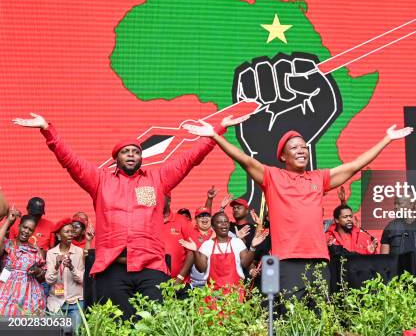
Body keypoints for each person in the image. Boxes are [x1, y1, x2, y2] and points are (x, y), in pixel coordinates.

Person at [12, 112, 248, 319]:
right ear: (116, 158)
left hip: (151, 268)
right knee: (116, 325)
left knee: (155, 325)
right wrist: (48, 130)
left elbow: (188, 161)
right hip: (112, 268)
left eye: (136, 151)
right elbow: (70, 161)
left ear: (141, 157)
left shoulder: (157, 180)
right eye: (125, 152)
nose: (131, 155)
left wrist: (218, 131)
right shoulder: (100, 181)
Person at [183, 123, 413, 299]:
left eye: (304, 147)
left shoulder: (318, 178)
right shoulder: (273, 176)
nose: (302, 150)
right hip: (287, 261)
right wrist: (215, 135)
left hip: (319, 261)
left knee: (317, 320)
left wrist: (387, 139)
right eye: (294, 147)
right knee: (287, 319)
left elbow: (354, 166)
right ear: (283, 156)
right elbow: (244, 159)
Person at [180, 212, 267, 298]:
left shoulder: (237, 242)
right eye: (220, 222)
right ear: (213, 227)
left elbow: (245, 264)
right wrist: (195, 251)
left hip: (235, 296)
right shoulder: (207, 245)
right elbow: (201, 268)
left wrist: (252, 247)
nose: (224, 224)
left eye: (226, 222)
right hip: (213, 296)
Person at [0, 209, 46, 316]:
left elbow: (43, 277)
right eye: (25, 227)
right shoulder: (7, 244)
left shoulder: (35, 250)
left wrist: (38, 271)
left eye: (30, 229)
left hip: (29, 293)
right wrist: (8, 222)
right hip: (6, 289)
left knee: (26, 325)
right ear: (19, 226)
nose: (26, 231)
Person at [45, 218, 85, 332]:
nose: (71, 234)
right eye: (67, 232)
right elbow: (49, 280)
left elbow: (82, 279)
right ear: (58, 235)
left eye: (72, 231)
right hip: (56, 303)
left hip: (76, 303)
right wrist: (57, 266)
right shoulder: (51, 253)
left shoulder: (79, 252)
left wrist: (72, 268)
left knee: (75, 333)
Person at [161, 194, 196, 283]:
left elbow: (191, 251)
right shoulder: (150, 221)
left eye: (160, 197)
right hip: (154, 283)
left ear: (169, 200)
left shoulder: (182, 220)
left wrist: (180, 278)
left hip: (180, 283)